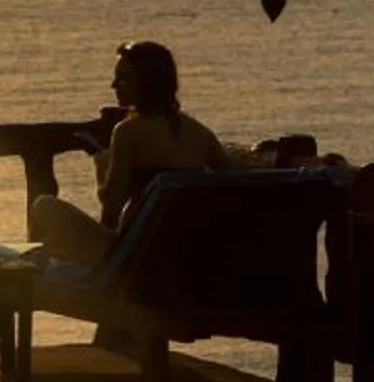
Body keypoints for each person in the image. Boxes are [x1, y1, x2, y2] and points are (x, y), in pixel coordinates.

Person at [26, 41, 235, 269]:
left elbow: (111, 212)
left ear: (147, 83)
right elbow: (233, 180)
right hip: (180, 253)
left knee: (44, 206)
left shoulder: (128, 132)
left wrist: (101, 166)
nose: (113, 85)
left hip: (132, 259)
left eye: (123, 78)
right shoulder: (199, 132)